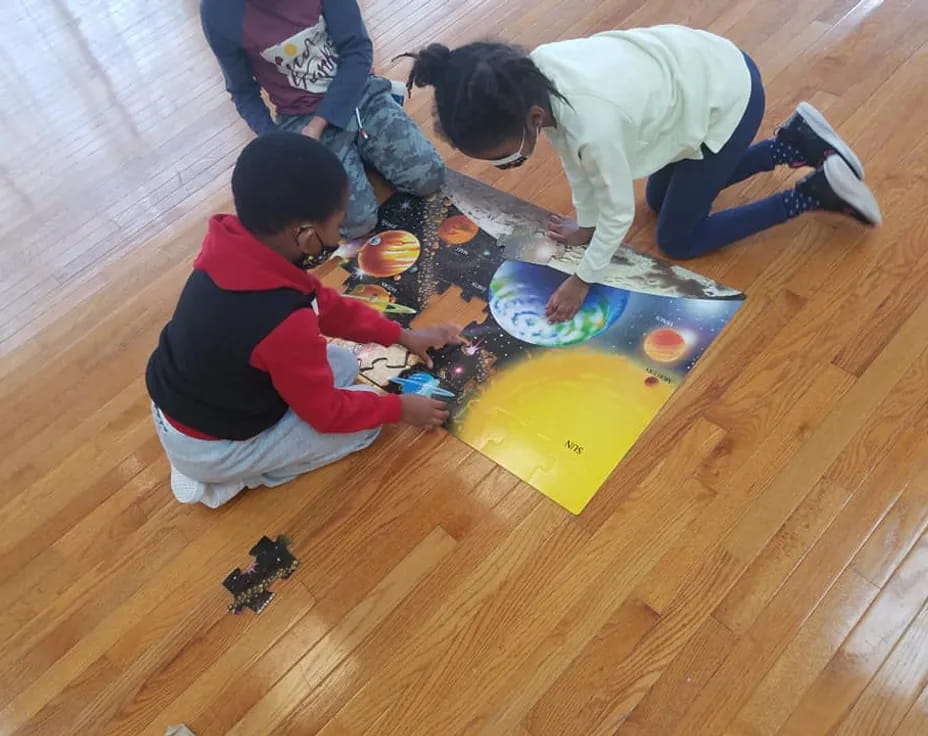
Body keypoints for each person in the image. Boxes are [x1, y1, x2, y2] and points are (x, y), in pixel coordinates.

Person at [399, 26, 882, 322]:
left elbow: (616, 214)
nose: (510, 166)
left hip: (727, 99)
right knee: (659, 196)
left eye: (510, 158)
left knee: (678, 237)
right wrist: (582, 227)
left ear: (532, 119)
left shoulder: (593, 126)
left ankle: (812, 193)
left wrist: (583, 278)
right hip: (698, 73)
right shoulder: (536, 75)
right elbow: (578, 165)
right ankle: (790, 144)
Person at [146, 133, 460, 508]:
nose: (342, 232)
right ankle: (228, 478)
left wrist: (401, 335)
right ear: (308, 237)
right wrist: (399, 409)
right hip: (212, 448)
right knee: (363, 428)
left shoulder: (238, 246)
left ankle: (233, 455)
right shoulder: (279, 321)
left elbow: (325, 306)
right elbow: (326, 414)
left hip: (188, 400)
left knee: (343, 364)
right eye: (339, 223)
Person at [200, 0, 445, 239]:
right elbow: (243, 91)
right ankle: (358, 156)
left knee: (429, 177)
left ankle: (365, 146)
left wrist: (320, 123)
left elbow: (357, 51)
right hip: (299, 119)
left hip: (359, 94)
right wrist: (277, 143)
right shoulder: (217, 11)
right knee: (357, 223)